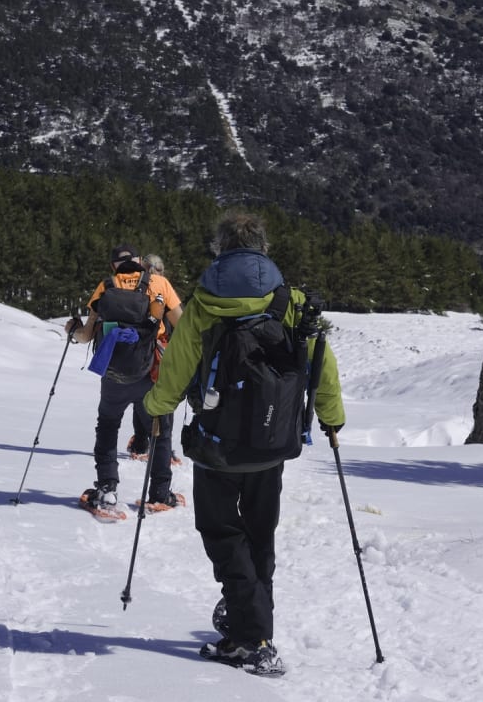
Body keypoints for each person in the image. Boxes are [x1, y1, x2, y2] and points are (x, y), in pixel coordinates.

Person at [142, 211, 345, 674]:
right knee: (259, 534)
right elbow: (319, 365)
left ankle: (251, 639)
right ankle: (250, 627)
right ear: (262, 248)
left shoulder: (204, 302)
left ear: (221, 249)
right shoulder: (289, 300)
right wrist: (332, 420)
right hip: (274, 441)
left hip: (217, 442)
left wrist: (157, 408)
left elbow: (177, 367)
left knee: (221, 532)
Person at [65, 245, 184, 514]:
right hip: (150, 372)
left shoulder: (106, 286)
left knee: (108, 426)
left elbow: (85, 335)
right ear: (140, 262)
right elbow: (183, 325)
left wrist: (72, 330)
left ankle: (107, 490)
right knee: (160, 432)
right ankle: (160, 494)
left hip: (113, 374)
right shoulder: (159, 283)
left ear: (113, 266)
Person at [127, 253, 181, 467]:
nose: (153, 273)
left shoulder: (136, 290)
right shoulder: (164, 292)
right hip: (157, 352)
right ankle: (152, 444)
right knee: (155, 400)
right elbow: (179, 324)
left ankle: (145, 443)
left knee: (142, 398)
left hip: (144, 351)